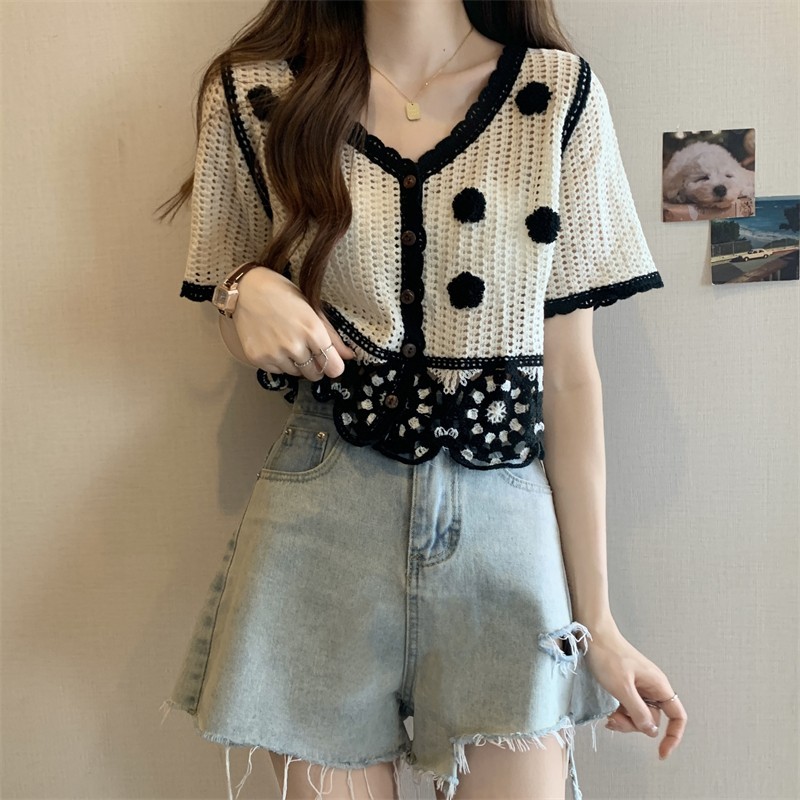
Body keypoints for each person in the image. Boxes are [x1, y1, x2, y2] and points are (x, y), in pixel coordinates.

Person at [156, 1, 687, 798]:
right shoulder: (256, 93)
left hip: (506, 535)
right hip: (322, 523)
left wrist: (599, 622)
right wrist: (246, 289)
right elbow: (231, 298)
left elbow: (570, 376)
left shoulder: (555, 93)